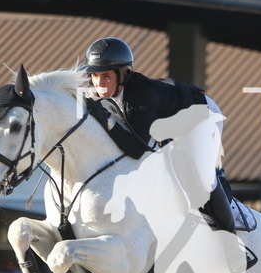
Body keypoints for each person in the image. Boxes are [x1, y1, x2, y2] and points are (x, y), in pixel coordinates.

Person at [81, 36, 236, 234]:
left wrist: (106, 119)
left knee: (204, 178)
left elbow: (137, 150)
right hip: (166, 124)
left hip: (201, 119)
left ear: (123, 75)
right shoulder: (99, 94)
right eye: (94, 77)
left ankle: (231, 239)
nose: (99, 84)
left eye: (106, 77)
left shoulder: (143, 94)